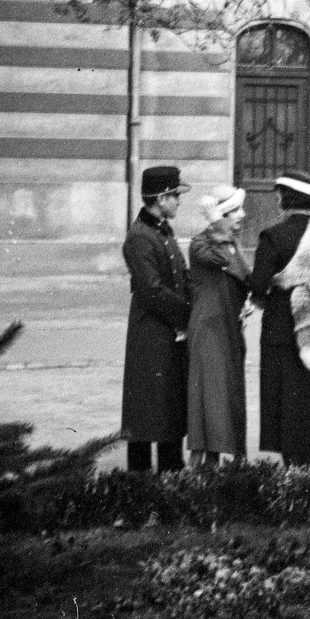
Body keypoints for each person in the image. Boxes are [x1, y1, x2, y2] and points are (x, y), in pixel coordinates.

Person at [247, 170, 310, 466]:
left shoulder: (272, 236)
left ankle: (292, 470)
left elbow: (258, 284)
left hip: (280, 330)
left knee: (285, 404)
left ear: (282, 198)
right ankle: (307, 467)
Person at [121, 165, 192, 472]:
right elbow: (152, 291)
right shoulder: (140, 237)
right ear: (161, 198)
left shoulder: (161, 230)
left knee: (169, 407)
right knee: (146, 411)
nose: (179, 201)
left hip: (168, 330)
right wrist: (189, 314)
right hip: (151, 333)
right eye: (176, 195)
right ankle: (140, 488)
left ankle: (171, 474)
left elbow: (181, 277)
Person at [185, 183, 251, 468]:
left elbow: (244, 276)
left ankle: (228, 460)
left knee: (228, 395)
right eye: (235, 210)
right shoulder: (201, 244)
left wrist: (247, 299)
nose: (243, 215)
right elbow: (226, 260)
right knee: (209, 396)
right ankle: (204, 464)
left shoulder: (230, 241)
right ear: (220, 214)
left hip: (228, 328)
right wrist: (217, 225)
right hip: (209, 329)